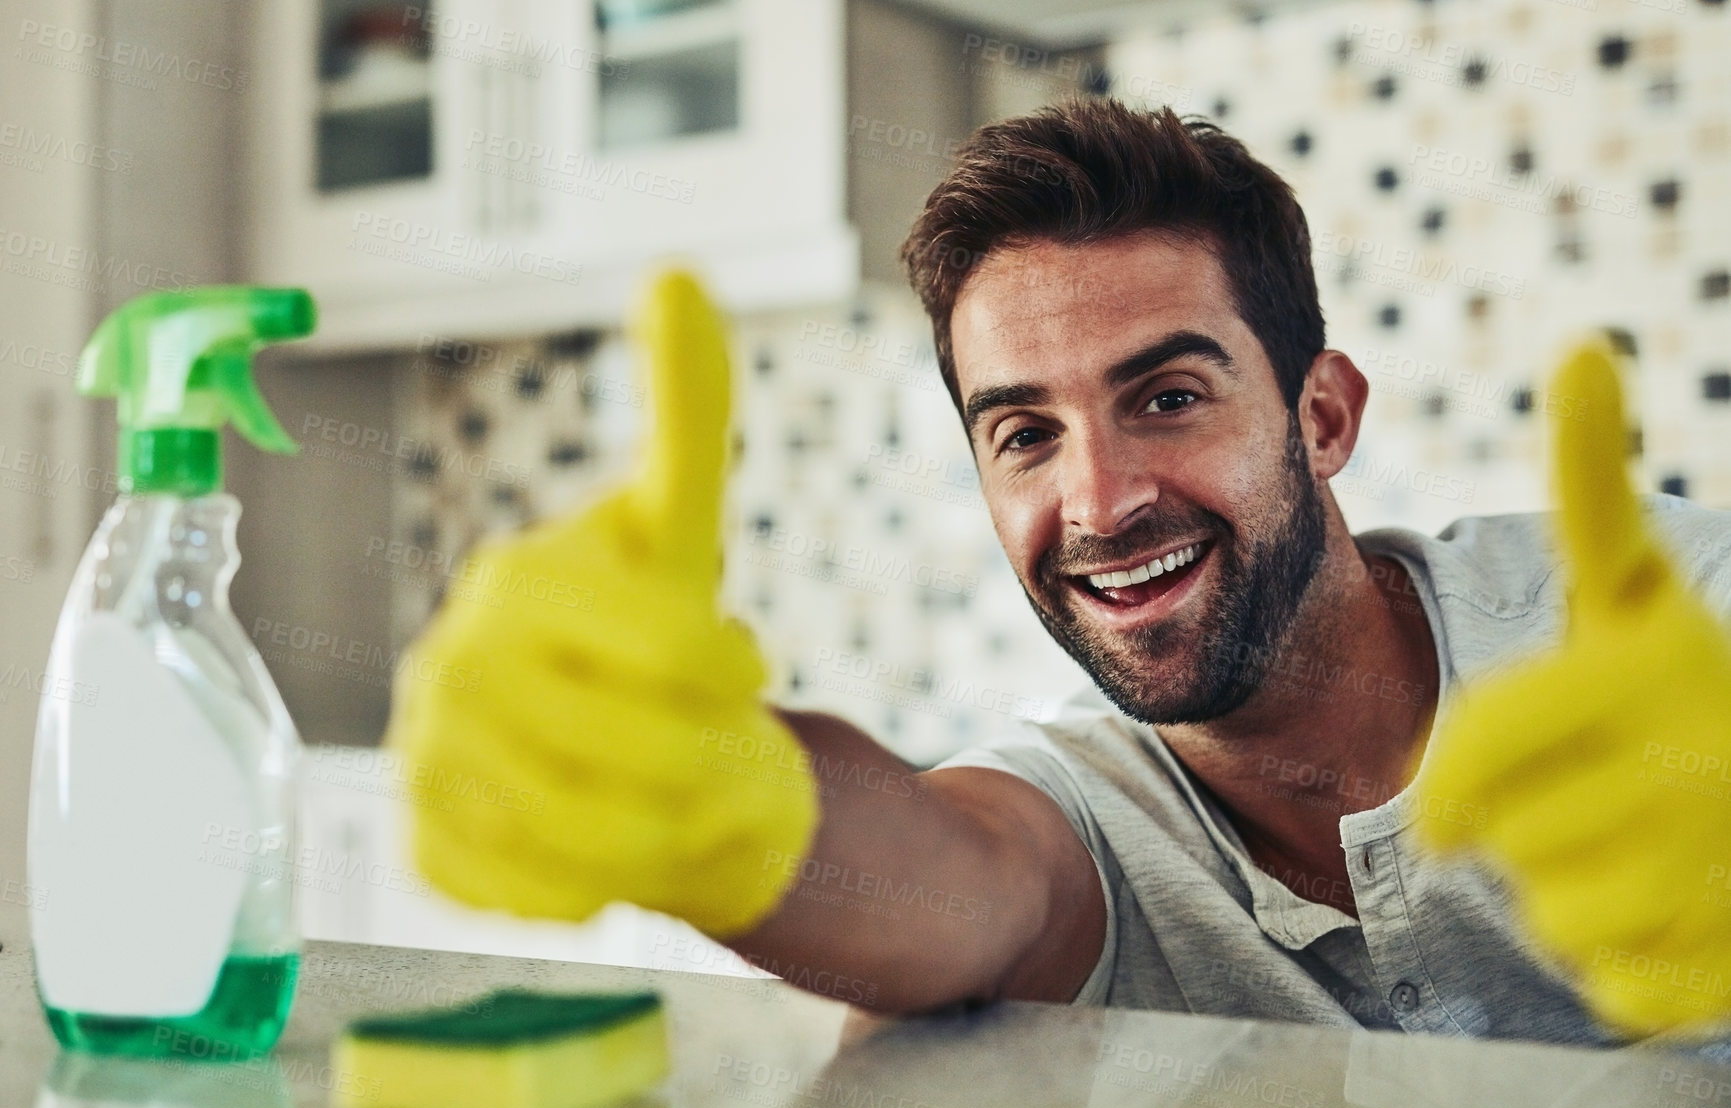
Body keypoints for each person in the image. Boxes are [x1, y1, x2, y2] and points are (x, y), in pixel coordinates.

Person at [388, 99, 1731, 1046]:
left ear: (1322, 415)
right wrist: (714, 789)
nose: (1098, 499)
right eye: (1024, 433)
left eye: (1166, 397)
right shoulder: (1082, 805)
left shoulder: (1666, 628)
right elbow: (940, 880)